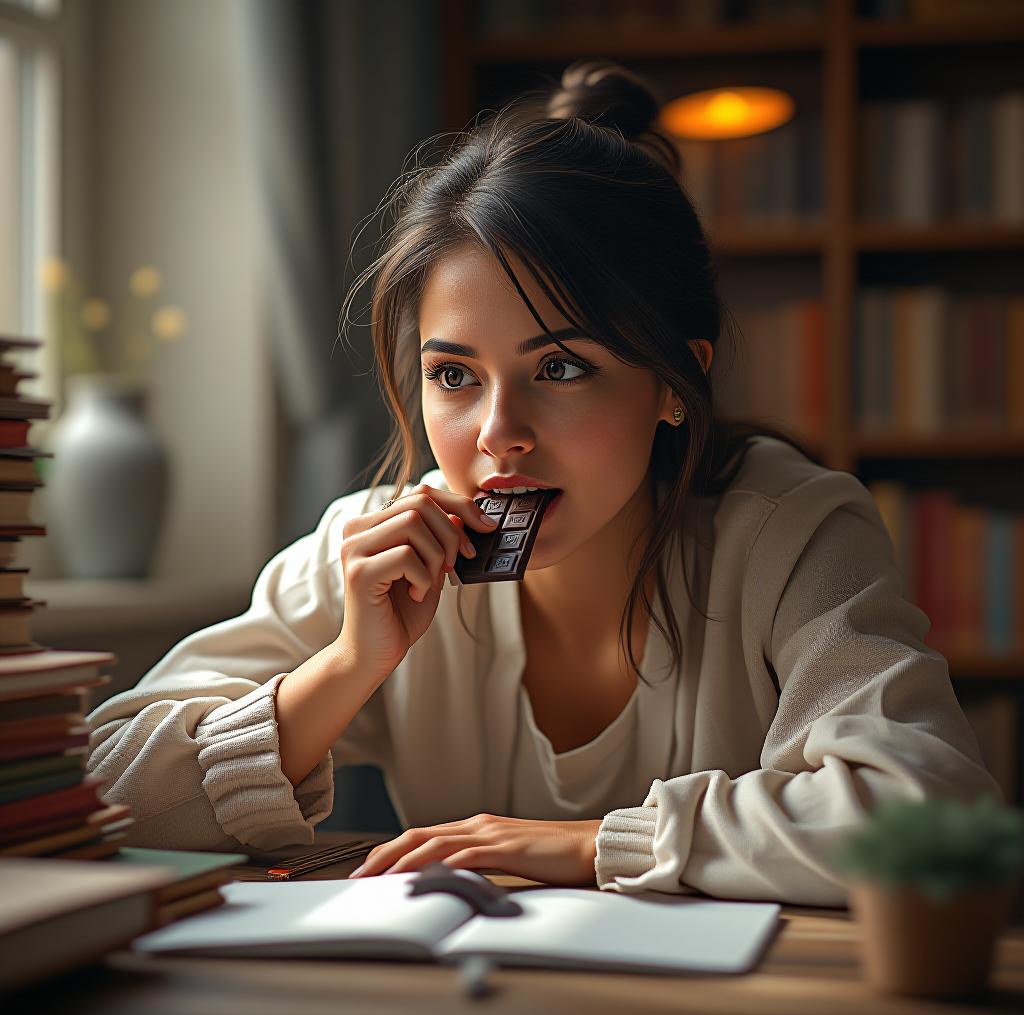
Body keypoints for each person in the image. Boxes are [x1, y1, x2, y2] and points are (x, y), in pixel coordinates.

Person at [86, 61, 1000, 907]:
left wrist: (597, 843)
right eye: (453, 375)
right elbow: (100, 795)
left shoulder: (789, 536)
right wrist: (344, 668)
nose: (497, 436)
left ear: (675, 386)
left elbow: (934, 812)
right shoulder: (370, 551)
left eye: (559, 368)